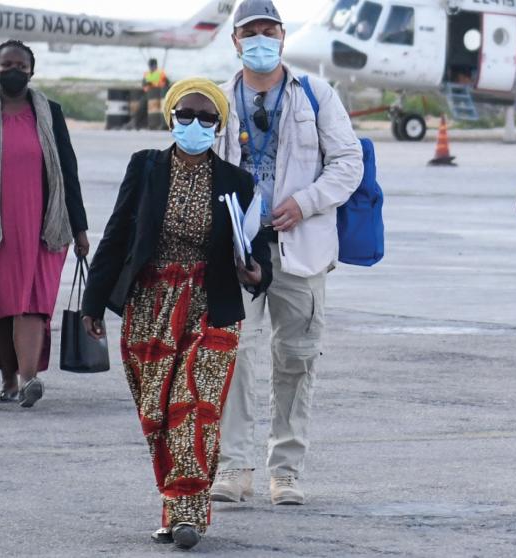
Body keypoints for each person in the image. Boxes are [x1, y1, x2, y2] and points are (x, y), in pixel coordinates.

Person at [81, 78, 273, 549]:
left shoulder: (237, 181)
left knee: (194, 407)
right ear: (171, 118)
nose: (195, 124)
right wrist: (93, 302)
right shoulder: (145, 167)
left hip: (211, 305)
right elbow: (117, 235)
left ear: (219, 126)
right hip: (150, 305)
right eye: (186, 115)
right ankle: (173, 504)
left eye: (207, 118)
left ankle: (187, 513)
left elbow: (257, 247)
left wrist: (256, 273)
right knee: (158, 413)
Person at [210, 0, 363, 506]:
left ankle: (287, 471)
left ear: (282, 36)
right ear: (235, 41)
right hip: (238, 250)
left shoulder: (316, 94)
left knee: (296, 359)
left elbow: (348, 162)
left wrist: (305, 202)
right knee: (234, 355)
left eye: (268, 30)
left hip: (301, 247)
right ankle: (234, 467)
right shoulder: (219, 100)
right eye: (249, 32)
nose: (260, 40)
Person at [0, 40, 89, 408]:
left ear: (32, 71)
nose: (14, 71)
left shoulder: (50, 113)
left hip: (43, 228)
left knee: (31, 303)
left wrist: (80, 228)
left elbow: (68, 172)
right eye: (7, 65)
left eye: (21, 66)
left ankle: (28, 380)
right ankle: (8, 380)